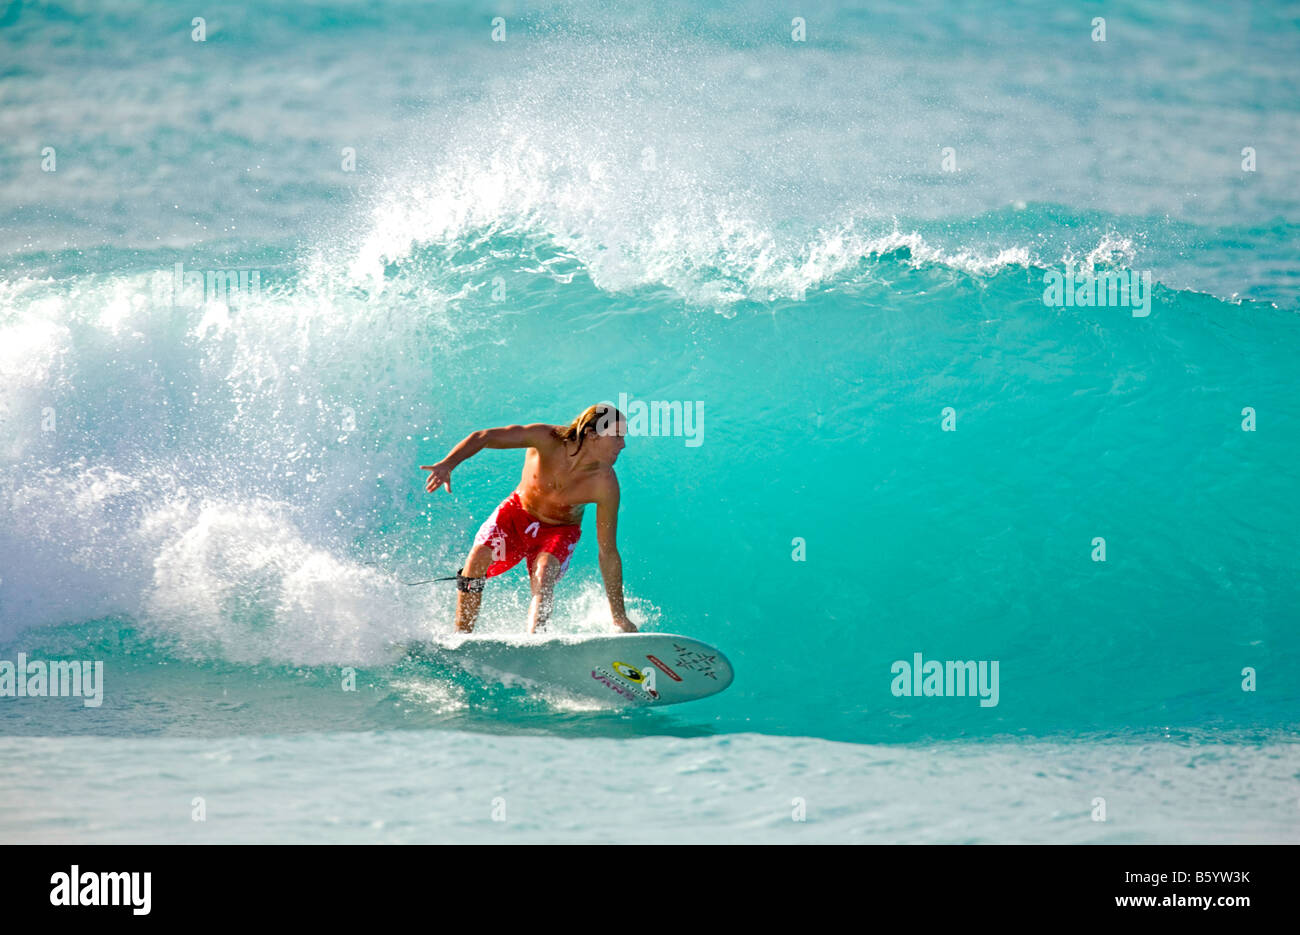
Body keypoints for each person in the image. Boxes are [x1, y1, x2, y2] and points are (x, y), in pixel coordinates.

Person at [420, 404, 637, 635]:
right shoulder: (546, 439)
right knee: (477, 558)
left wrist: (619, 616)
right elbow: (484, 437)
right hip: (516, 515)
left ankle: (536, 641)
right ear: (592, 434)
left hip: (559, 531)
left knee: (544, 573)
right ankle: (462, 637)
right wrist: (448, 464)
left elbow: (608, 552)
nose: (622, 444)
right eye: (617, 436)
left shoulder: (604, 483)